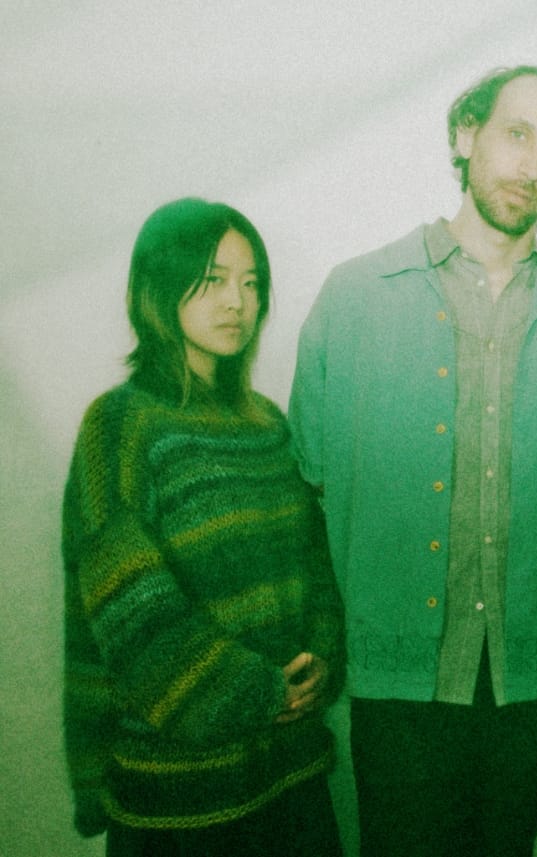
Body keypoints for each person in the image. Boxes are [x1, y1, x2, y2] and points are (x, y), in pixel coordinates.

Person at [288, 65, 537, 857]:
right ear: (465, 134)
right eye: (516, 134)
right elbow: (307, 483)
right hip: (396, 680)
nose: (531, 166)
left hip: (529, 683)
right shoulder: (355, 297)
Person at [61, 198, 346, 857]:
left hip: (292, 777)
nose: (236, 302)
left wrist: (320, 659)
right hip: (178, 803)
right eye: (213, 279)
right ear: (158, 287)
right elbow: (134, 618)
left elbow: (316, 565)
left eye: (251, 284)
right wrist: (259, 691)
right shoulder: (121, 426)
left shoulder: (269, 424)